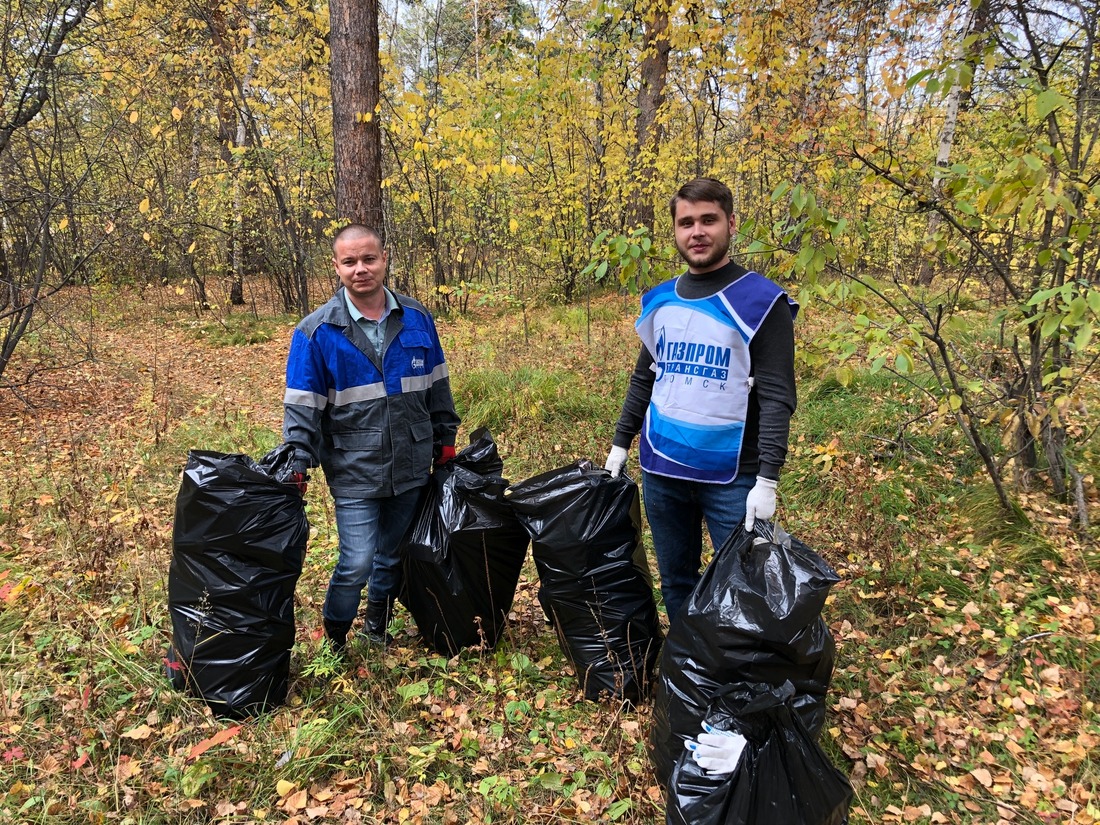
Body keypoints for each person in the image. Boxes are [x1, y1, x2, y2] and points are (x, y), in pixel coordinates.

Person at [605, 178, 798, 624]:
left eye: (708, 220)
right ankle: (688, 668)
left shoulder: (760, 302)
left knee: (743, 587)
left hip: (733, 478)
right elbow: (644, 378)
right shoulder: (661, 301)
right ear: (674, 231)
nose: (697, 232)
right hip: (661, 469)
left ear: (730, 224)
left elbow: (776, 396)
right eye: (686, 222)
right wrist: (621, 443)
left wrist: (767, 480)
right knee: (676, 580)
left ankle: (735, 678)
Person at [283, 223, 460, 651]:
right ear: (336, 267)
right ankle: (335, 637)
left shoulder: (417, 319)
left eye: (369, 259)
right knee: (357, 560)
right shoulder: (316, 332)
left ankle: (376, 626)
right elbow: (303, 405)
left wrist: (446, 440)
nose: (360, 269)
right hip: (353, 467)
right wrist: (298, 462)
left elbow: (438, 386)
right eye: (350, 262)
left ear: (384, 259)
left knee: (392, 555)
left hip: (413, 462)